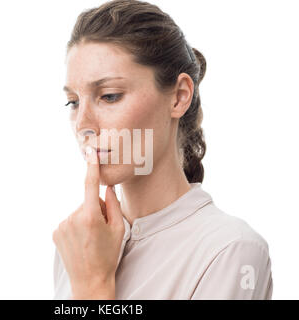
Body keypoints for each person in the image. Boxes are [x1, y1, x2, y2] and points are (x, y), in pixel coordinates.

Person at [52, 0, 273, 299]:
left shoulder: (231, 251)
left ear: (179, 97)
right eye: (74, 102)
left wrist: (93, 286)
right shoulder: (78, 244)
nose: (82, 124)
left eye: (110, 96)